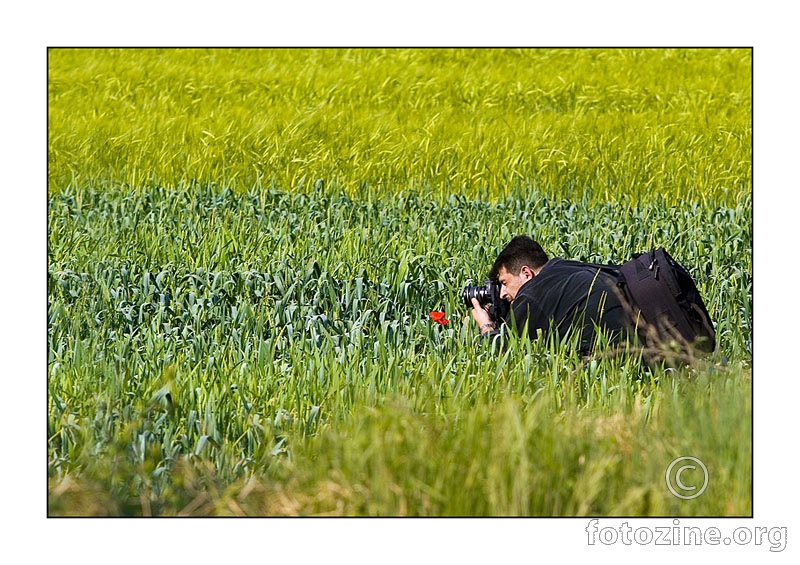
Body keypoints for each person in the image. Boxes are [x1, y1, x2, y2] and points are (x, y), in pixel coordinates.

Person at [470, 235, 627, 356]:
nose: (502, 294)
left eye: (504, 283)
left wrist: (486, 326)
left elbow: (502, 349)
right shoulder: (565, 269)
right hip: (644, 346)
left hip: (615, 363)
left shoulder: (535, 293)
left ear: (526, 273)